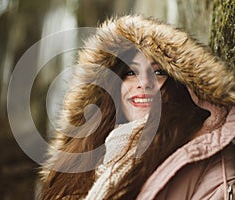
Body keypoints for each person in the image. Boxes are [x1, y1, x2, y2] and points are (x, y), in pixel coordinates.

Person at [38, 15, 235, 200]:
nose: (144, 82)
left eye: (158, 72)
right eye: (131, 72)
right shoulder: (81, 160)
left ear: (181, 85)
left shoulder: (206, 160)